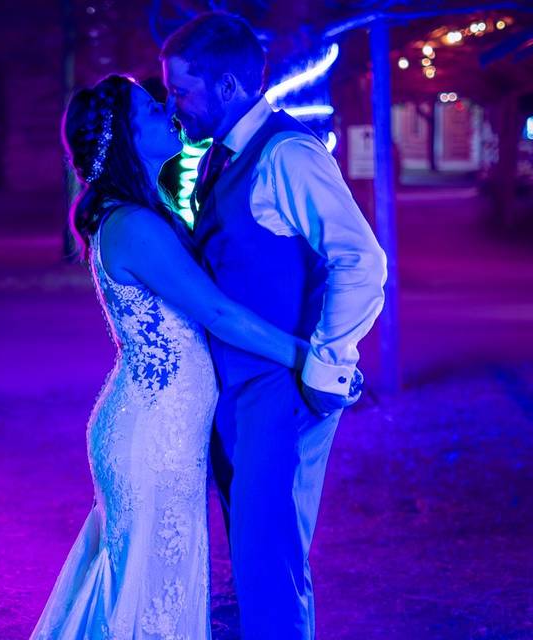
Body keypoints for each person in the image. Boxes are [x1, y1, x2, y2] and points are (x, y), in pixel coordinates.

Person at [30, 74, 359, 639]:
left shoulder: (146, 213)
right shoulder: (132, 225)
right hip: (151, 434)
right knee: (148, 590)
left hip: (169, 431)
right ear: (127, 138)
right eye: (152, 109)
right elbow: (218, 314)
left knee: (159, 584)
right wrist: (312, 356)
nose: (169, 110)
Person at [161, 12, 387, 639]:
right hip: (240, 393)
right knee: (254, 559)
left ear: (229, 87)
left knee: (271, 565)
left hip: (278, 391)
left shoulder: (286, 155)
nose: (174, 103)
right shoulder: (221, 157)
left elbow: (361, 260)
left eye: (182, 89)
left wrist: (326, 360)